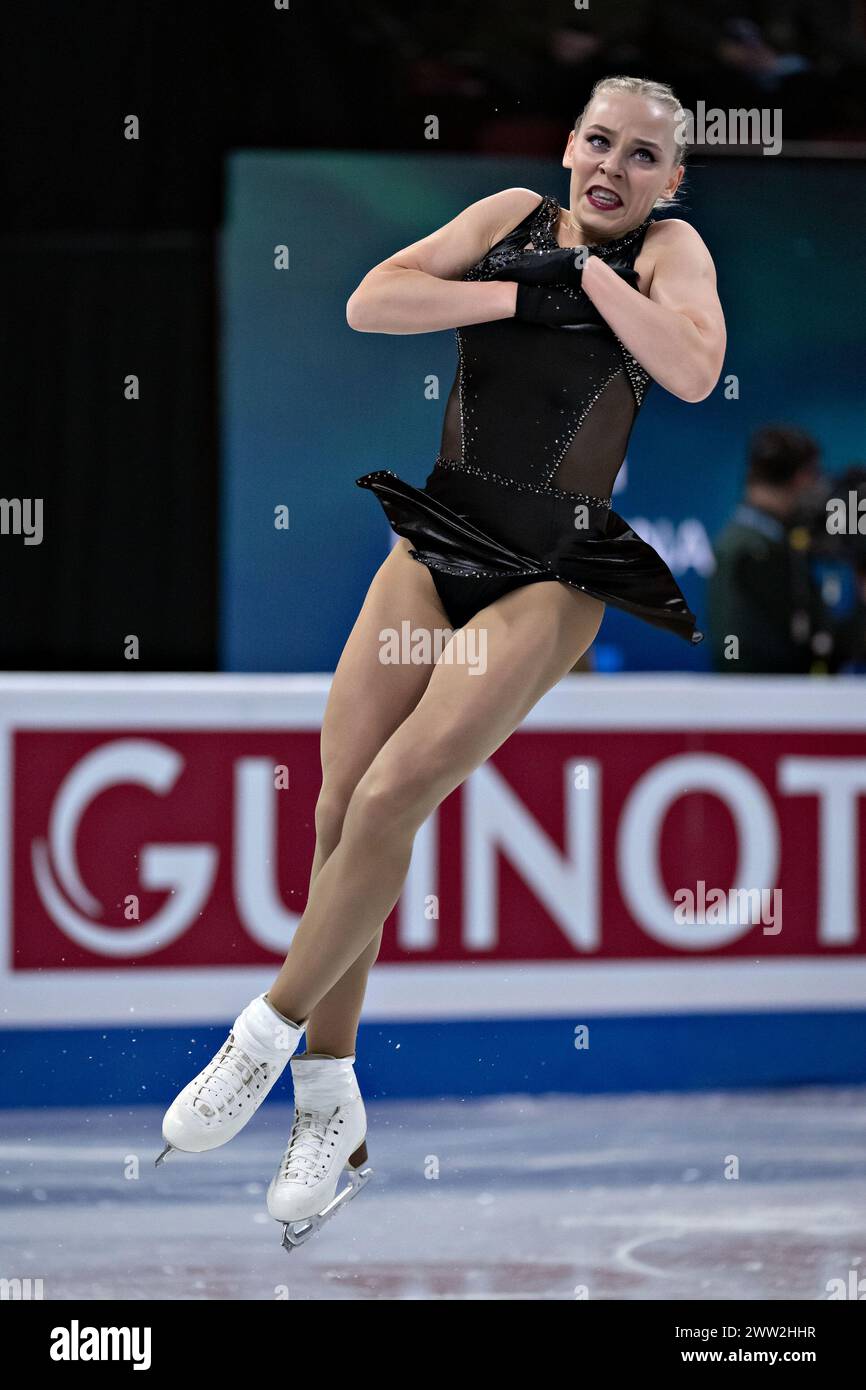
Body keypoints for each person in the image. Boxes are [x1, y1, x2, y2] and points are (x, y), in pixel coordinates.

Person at [158, 74, 726, 1248]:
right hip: (444, 536)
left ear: (671, 179)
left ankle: (259, 1035)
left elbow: (687, 367)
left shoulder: (671, 252)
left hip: (560, 568)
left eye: (642, 156)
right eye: (598, 141)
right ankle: (332, 1105)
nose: (612, 167)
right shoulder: (510, 212)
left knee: (398, 789)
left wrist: (590, 281)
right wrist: (528, 288)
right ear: (569, 144)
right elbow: (372, 302)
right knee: (339, 809)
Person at [707, 425, 826, 672]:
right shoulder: (756, 551)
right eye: (813, 475)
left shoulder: (744, 540)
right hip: (767, 700)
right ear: (801, 478)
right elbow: (801, 643)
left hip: (757, 696)